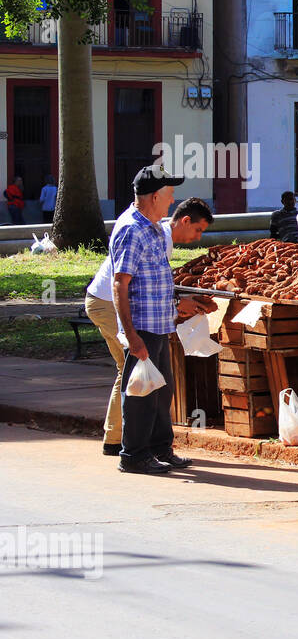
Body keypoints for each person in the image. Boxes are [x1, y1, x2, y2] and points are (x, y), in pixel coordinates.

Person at [87, 196, 214, 457]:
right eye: (198, 229)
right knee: (132, 370)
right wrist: (177, 305)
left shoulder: (159, 236)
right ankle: (121, 443)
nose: (198, 237)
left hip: (110, 302)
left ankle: (121, 440)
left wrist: (178, 303)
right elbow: (129, 284)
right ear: (185, 220)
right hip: (105, 302)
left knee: (132, 371)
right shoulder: (157, 236)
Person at [109, 166, 208, 474]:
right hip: (142, 326)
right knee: (141, 393)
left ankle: (160, 448)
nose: (171, 200)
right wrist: (133, 336)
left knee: (161, 390)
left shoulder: (151, 226)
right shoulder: (131, 229)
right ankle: (134, 454)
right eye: (169, 194)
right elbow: (119, 284)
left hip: (159, 323)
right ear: (154, 196)